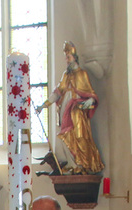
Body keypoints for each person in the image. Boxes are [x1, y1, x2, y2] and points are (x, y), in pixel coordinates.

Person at [36, 41, 104, 175]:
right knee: (65, 136)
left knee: (80, 136)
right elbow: (57, 92)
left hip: (77, 110)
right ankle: (72, 165)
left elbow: (90, 92)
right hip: (66, 110)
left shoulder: (82, 74)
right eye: (66, 57)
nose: (67, 60)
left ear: (75, 57)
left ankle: (82, 164)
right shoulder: (66, 76)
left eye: (69, 57)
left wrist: (90, 100)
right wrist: (43, 106)